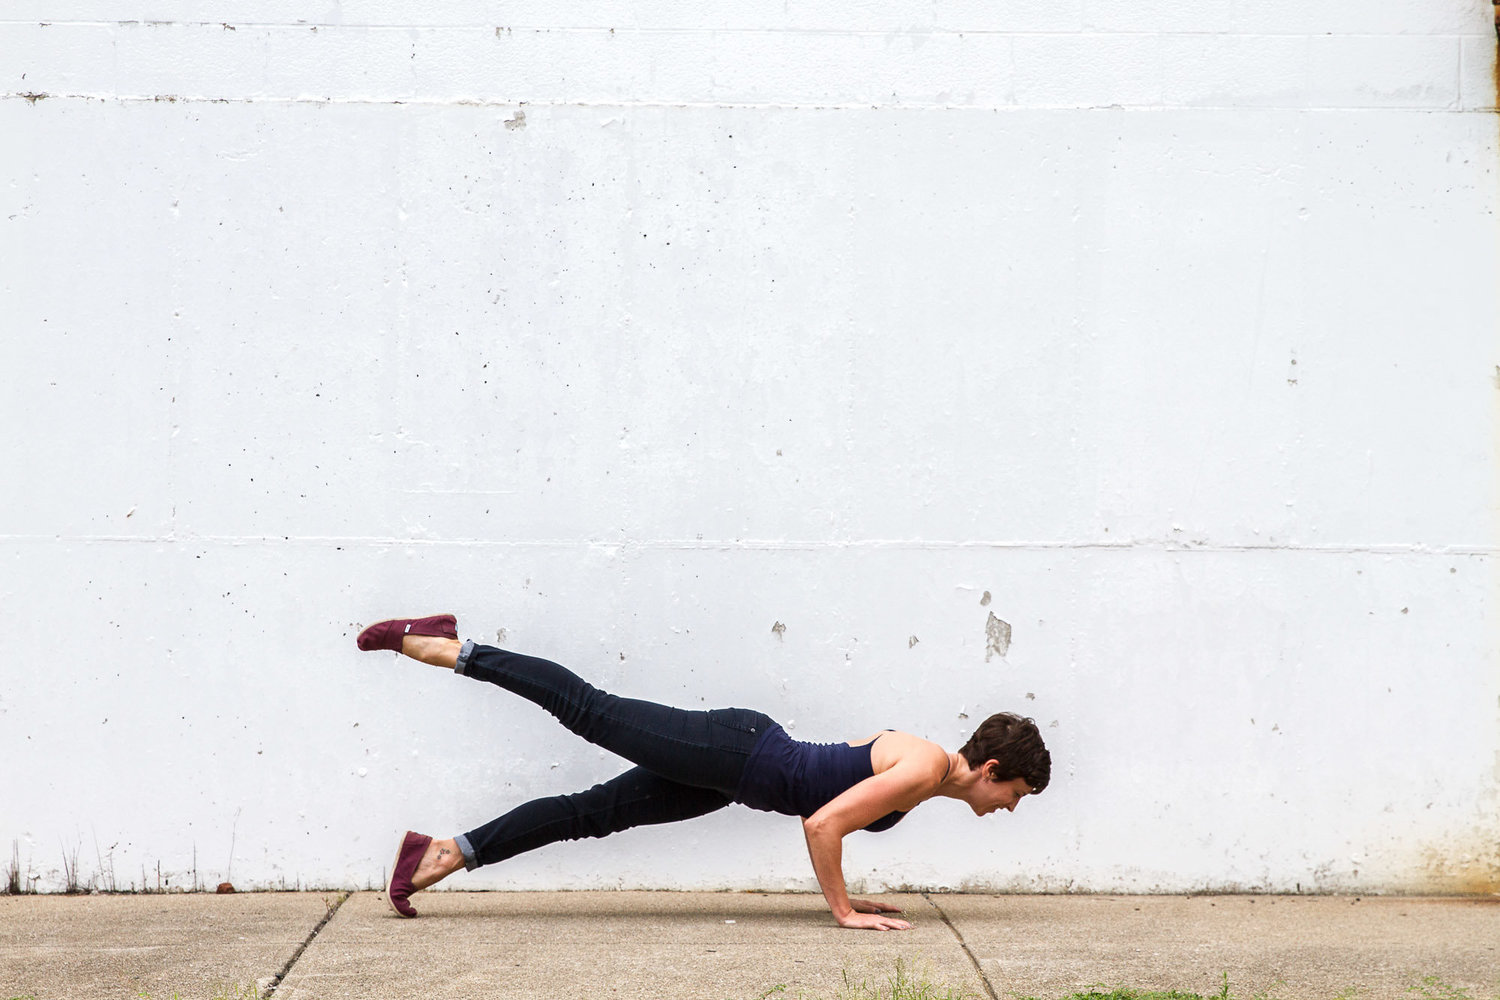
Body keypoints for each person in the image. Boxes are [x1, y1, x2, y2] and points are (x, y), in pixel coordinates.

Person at [356, 613, 1051, 931]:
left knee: (593, 814)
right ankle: (450, 647)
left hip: (738, 775)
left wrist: (855, 894)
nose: (1011, 808)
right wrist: (842, 909)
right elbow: (823, 820)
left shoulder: (922, 760)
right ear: (993, 769)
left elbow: (831, 777)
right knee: (590, 711)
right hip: (739, 754)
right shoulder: (928, 766)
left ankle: (443, 854)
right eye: (1016, 794)